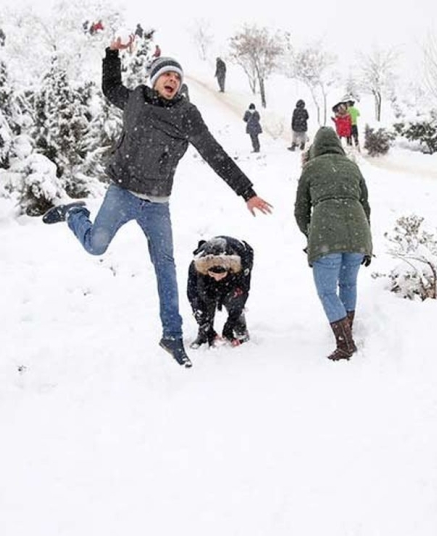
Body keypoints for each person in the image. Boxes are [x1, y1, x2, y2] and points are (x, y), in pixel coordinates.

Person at [41, 37, 273, 368]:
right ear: (155, 80)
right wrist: (111, 54)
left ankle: (172, 337)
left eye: (177, 78)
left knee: (166, 267)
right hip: (122, 191)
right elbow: (110, 89)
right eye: (167, 75)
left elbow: (214, 153)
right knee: (95, 246)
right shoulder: (136, 99)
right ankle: (75, 212)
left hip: (158, 203)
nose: (172, 81)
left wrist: (246, 191)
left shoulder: (187, 115)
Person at [294, 127, 372, 361]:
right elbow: (366, 206)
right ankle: (347, 331)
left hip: (326, 235)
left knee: (327, 291)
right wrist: (366, 241)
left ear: (316, 147)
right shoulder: (352, 166)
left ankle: (346, 344)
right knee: (348, 285)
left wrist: (311, 234)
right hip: (358, 233)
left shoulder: (311, 167)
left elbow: (300, 210)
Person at [187, 236, 253, 348]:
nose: (217, 278)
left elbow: (243, 294)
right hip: (206, 279)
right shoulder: (196, 267)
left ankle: (240, 329)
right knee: (205, 297)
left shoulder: (242, 265)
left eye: (221, 275)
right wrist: (207, 328)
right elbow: (194, 297)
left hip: (233, 274)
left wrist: (229, 326)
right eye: (213, 274)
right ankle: (204, 334)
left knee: (235, 297)